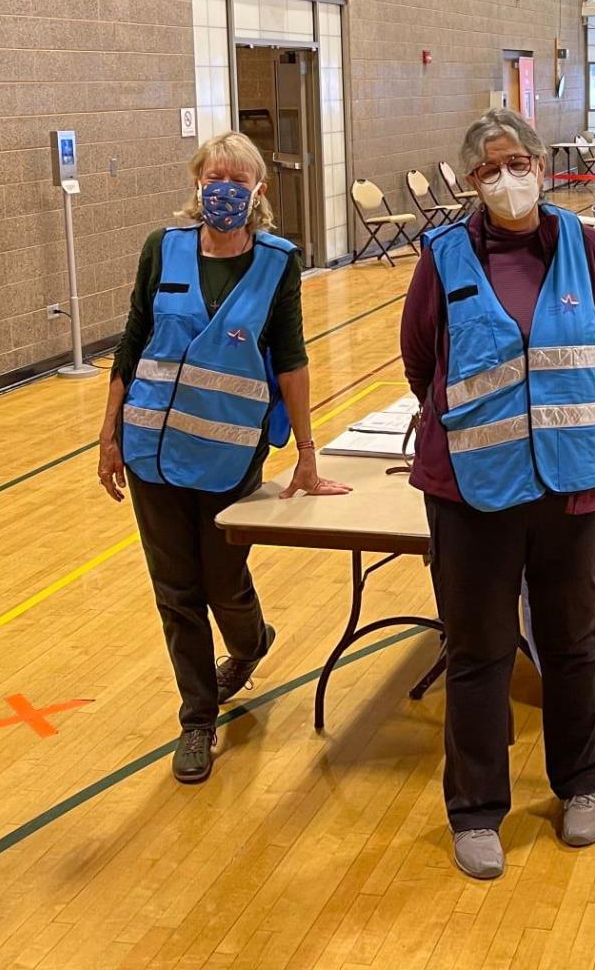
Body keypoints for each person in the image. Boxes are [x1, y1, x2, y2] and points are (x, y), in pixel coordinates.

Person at [400, 108, 595, 881]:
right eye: (493, 168)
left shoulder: (587, 247)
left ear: (541, 163)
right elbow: (422, 360)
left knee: (571, 644)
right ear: (473, 181)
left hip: (571, 483)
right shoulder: (441, 258)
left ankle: (582, 787)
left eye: (520, 161)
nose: (510, 178)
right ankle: (475, 811)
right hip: (474, 490)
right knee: (479, 653)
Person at [97, 132, 348, 785]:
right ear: (197, 180)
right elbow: (133, 339)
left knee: (222, 581)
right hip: (151, 447)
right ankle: (197, 720)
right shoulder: (163, 248)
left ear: (258, 190)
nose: (225, 189)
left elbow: (291, 360)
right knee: (175, 593)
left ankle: (250, 641)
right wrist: (109, 432)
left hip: (227, 452)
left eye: (239, 179)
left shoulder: (275, 263)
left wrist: (308, 455)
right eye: (215, 176)